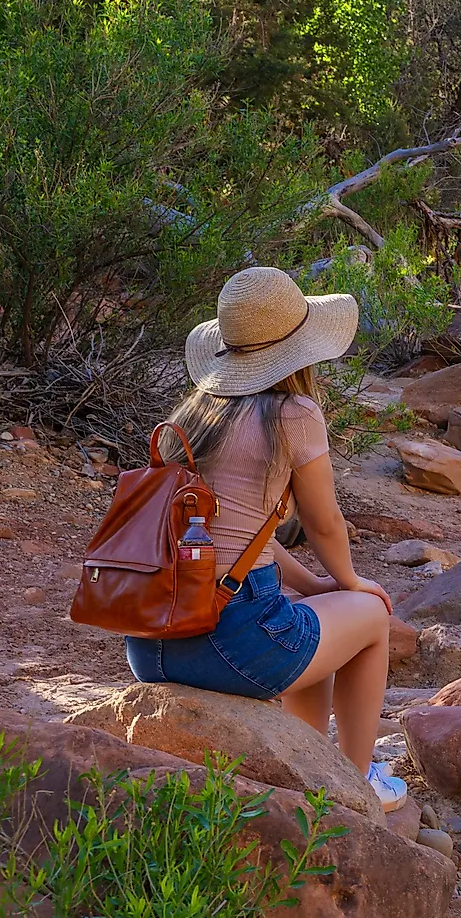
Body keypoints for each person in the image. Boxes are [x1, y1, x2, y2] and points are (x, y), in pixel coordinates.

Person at [134, 266, 404, 810]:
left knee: (309, 610)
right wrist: (352, 583)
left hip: (149, 642)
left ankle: (310, 763)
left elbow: (233, 534)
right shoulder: (292, 413)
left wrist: (315, 585)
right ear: (300, 350)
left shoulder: (194, 415)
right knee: (371, 618)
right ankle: (354, 782)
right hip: (228, 641)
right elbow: (325, 523)